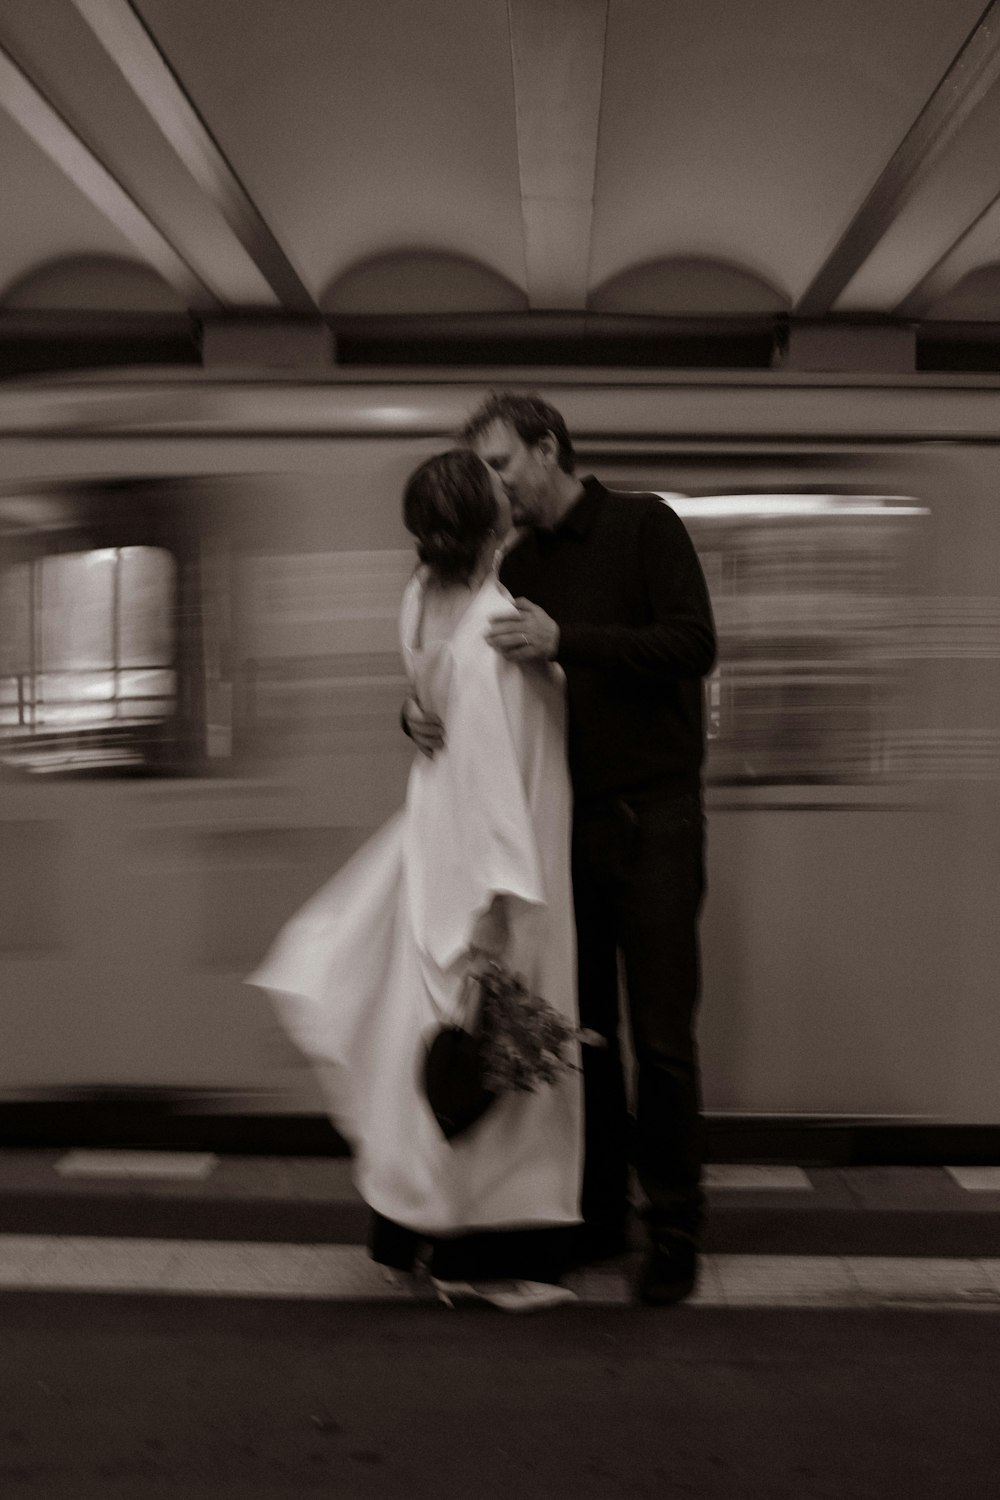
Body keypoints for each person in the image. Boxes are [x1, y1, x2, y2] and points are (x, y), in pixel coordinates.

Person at [248, 448, 583, 1312]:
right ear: (493, 524)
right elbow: (496, 782)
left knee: (425, 1049)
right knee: (501, 1065)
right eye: (498, 489)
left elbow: (427, 707)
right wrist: (497, 918)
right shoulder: (494, 636)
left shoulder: (419, 601)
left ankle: (402, 1241)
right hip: (493, 870)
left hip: (432, 848)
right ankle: (485, 1263)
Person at [405, 393, 716, 1305]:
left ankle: (675, 1226)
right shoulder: (515, 564)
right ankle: (595, 1212)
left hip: (657, 818)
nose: (494, 487)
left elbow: (695, 644)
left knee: (661, 1037)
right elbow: (464, 680)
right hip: (566, 826)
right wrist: (414, 716)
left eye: (503, 466)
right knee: (591, 1036)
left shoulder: (643, 526)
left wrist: (565, 640)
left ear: (549, 450)